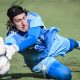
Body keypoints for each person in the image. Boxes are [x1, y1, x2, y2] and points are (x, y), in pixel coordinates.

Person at [0, 5, 80, 80]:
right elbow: (8, 46)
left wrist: (15, 47)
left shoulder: (33, 17)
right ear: (12, 23)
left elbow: (33, 38)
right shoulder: (11, 36)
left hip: (52, 42)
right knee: (65, 74)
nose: (24, 23)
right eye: (18, 21)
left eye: (24, 18)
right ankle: (45, 72)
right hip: (38, 59)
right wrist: (4, 57)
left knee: (72, 44)